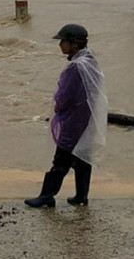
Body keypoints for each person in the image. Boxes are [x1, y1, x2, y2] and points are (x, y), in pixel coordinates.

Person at [24, 24, 108, 208]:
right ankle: (81, 196)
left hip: (73, 119)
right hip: (87, 118)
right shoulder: (91, 61)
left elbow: (64, 97)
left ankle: (47, 196)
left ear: (74, 44)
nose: (60, 44)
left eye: (63, 41)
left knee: (61, 159)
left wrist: (58, 106)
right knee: (83, 157)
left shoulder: (75, 67)